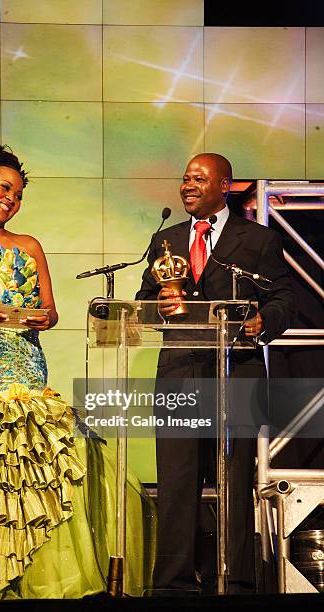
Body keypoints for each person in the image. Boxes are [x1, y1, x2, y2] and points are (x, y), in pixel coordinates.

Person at [0, 144, 155, 599]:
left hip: (25, 369)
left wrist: (43, 317)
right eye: (6, 187)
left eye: (20, 193)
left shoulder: (28, 246)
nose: (13, 198)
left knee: (34, 474)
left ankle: (35, 580)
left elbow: (51, 310)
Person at [136, 153, 296, 595]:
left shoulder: (258, 239)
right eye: (185, 178)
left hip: (235, 371)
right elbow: (144, 301)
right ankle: (172, 583)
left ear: (224, 185)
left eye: (199, 179)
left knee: (235, 478)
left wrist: (266, 320)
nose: (188, 185)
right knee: (177, 482)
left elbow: (284, 298)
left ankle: (237, 582)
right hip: (179, 373)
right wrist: (158, 307)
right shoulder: (164, 239)